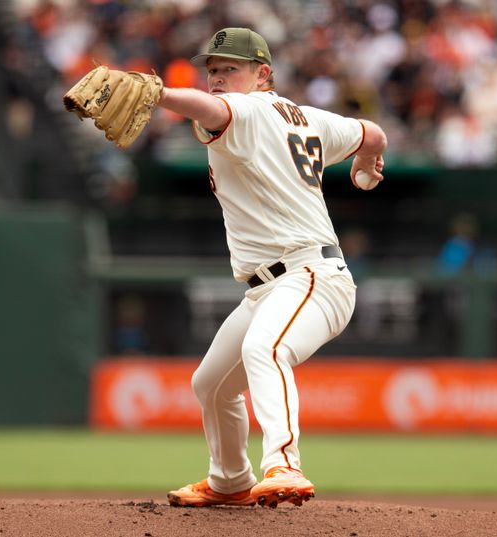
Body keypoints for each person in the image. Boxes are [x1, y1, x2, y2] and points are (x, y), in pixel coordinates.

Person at [156, 28, 388, 508]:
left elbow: (214, 110)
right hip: (270, 287)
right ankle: (229, 481)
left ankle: (284, 464)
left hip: (311, 278)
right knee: (212, 386)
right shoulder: (308, 116)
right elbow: (372, 132)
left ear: (262, 75)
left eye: (230, 70)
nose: (217, 80)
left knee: (266, 348)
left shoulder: (248, 108)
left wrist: (159, 93)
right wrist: (368, 161)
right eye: (213, 71)